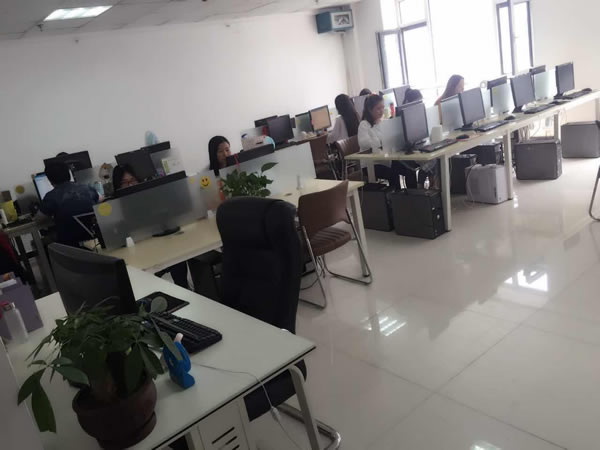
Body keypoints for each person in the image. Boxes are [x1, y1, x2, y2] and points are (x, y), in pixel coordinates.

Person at [112, 166, 190, 289]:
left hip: (158, 244)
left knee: (177, 256)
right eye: (124, 182)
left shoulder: (149, 197)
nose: (130, 185)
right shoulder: (115, 208)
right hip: (138, 253)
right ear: (118, 185)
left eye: (132, 180)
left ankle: (184, 288)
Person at [358, 94, 418, 189]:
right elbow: (364, 144)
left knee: (410, 170)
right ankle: (396, 196)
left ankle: (413, 195)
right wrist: (381, 141)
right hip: (372, 164)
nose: (381, 111)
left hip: (386, 160)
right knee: (393, 174)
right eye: (378, 108)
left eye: (382, 107)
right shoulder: (364, 124)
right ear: (370, 109)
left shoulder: (382, 122)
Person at [40, 162, 100, 247]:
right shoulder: (87, 188)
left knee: (39, 241)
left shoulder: (51, 196)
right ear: (69, 174)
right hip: (93, 234)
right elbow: (98, 203)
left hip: (69, 240)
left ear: (50, 180)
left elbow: (39, 219)